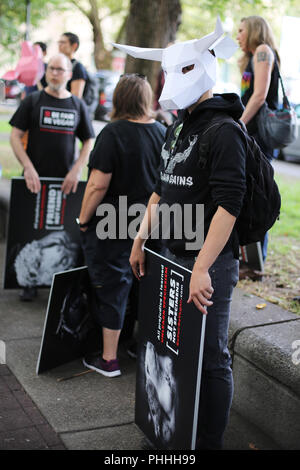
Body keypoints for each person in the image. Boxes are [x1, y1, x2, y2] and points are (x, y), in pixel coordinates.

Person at [118, 19, 246, 450]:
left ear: (208, 67)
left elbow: (230, 203)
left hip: (207, 263)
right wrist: (140, 240)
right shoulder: (177, 126)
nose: (171, 84)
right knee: (174, 349)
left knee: (211, 358)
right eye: (169, 73)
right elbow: (161, 187)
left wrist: (203, 268)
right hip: (171, 254)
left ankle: (208, 443)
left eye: (185, 70)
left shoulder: (225, 130)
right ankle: (174, 434)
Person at [78, 74, 166, 378]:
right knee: (145, 286)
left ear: (119, 99)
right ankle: (138, 347)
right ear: (146, 99)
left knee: (112, 287)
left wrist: (83, 218)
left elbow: (96, 186)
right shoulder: (164, 132)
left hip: (115, 222)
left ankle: (109, 360)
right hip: (154, 223)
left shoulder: (113, 133)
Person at [9, 53, 95, 300]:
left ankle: (60, 282)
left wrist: (78, 168)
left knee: (62, 233)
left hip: (65, 183)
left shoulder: (77, 105)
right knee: (32, 231)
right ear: (46, 72)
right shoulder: (33, 101)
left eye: (60, 69)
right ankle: (29, 285)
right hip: (34, 180)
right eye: (51, 69)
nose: (55, 73)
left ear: (69, 74)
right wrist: (27, 167)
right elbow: (15, 135)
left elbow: (88, 139)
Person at [236, 16, 280, 262]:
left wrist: (239, 124)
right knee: (248, 193)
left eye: (241, 30)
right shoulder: (253, 56)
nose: (238, 35)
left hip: (259, 137)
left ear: (253, 30)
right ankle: (249, 258)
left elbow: (260, 95)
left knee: (258, 194)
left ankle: (255, 261)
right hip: (252, 135)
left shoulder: (263, 51)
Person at [58, 32, 87, 99]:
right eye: (59, 42)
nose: (59, 45)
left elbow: (76, 98)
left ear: (74, 46)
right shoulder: (58, 64)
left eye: (63, 42)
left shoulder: (78, 67)